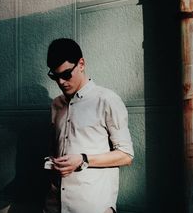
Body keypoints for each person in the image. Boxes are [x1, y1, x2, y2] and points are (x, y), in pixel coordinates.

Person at [43, 38, 134, 213]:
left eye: (66, 74)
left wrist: (83, 159)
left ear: (81, 64)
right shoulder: (56, 105)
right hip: (54, 204)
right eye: (55, 76)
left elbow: (126, 155)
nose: (61, 82)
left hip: (92, 207)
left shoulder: (107, 100)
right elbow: (54, 150)